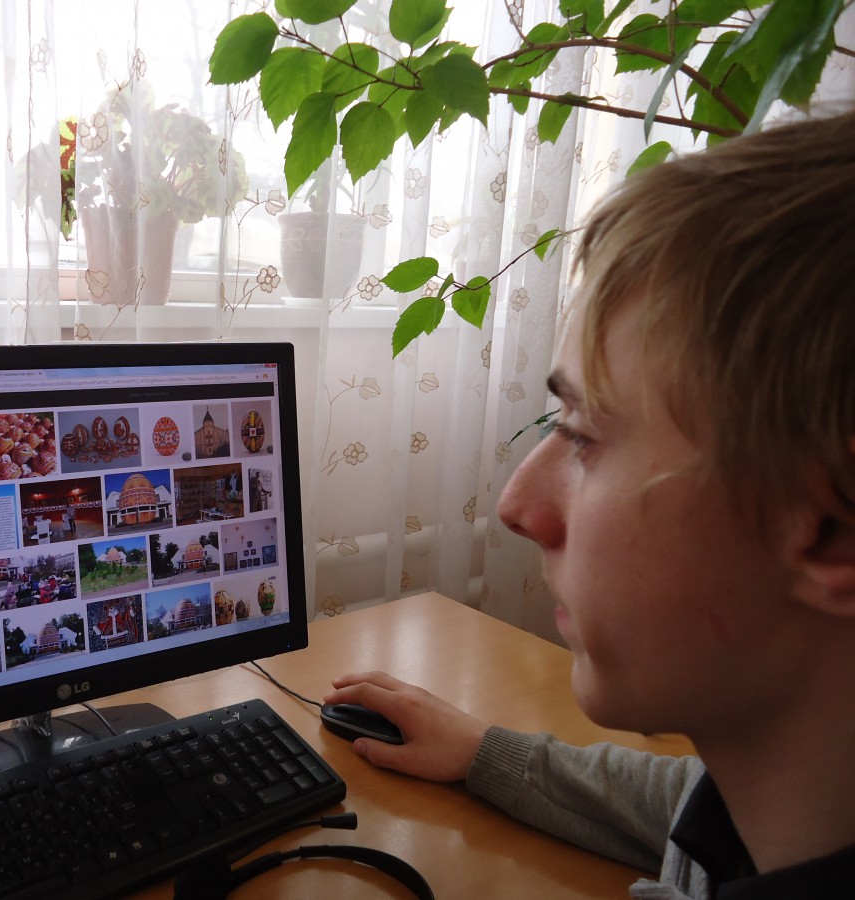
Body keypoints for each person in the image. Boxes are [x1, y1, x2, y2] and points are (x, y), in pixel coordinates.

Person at [325, 111, 855, 896]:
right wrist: (483, 752)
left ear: (831, 532)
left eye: (582, 436)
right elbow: (685, 801)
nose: (516, 507)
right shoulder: (785, 804)